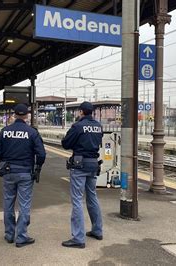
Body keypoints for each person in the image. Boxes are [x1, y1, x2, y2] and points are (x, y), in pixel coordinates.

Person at [0, 103, 46, 248]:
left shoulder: (5, 131)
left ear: (14, 115)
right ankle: (21, 236)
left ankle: (9, 234)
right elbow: (41, 154)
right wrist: (37, 167)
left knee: (8, 203)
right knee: (24, 205)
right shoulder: (32, 132)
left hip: (9, 172)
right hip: (25, 173)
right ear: (27, 115)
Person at [61, 101, 103, 249]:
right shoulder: (98, 126)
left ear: (81, 112)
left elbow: (65, 143)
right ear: (91, 112)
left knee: (77, 200)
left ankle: (78, 238)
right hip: (93, 163)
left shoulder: (78, 126)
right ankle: (97, 230)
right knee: (92, 196)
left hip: (79, 165)